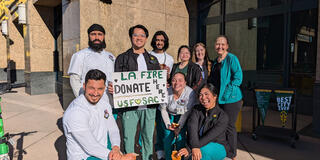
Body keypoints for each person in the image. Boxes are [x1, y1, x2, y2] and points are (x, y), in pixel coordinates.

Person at [63, 69, 137, 160]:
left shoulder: (104, 105)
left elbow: (113, 129)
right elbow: (90, 146)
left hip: (102, 152)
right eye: (91, 88)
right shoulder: (75, 112)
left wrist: (116, 148)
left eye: (100, 89)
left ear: (104, 88)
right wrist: (120, 157)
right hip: (83, 156)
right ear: (84, 87)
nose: (95, 93)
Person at [112, 24, 160, 160]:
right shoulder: (122, 58)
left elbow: (157, 82)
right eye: (136, 35)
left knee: (148, 138)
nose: (139, 38)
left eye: (142, 35)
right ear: (131, 37)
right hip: (130, 106)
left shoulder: (153, 59)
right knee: (128, 137)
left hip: (149, 107)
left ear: (146, 39)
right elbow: (119, 81)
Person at [208, 35, 243, 160]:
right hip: (219, 99)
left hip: (231, 99)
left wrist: (226, 94)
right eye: (218, 44)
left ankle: (232, 154)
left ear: (227, 46)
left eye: (223, 44)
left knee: (229, 126)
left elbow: (238, 78)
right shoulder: (215, 62)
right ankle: (223, 149)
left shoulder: (231, 58)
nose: (220, 46)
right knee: (219, 125)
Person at [179, 83, 228, 160]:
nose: (203, 98)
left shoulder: (222, 116)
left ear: (215, 96)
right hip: (197, 143)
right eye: (201, 95)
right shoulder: (196, 110)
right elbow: (192, 129)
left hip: (217, 145)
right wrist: (190, 148)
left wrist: (191, 148)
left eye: (206, 94)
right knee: (184, 154)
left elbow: (209, 137)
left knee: (200, 153)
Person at [68, 24, 115, 98]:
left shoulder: (111, 56)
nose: (97, 37)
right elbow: (74, 80)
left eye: (100, 34)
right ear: (89, 36)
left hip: (109, 102)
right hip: (90, 100)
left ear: (104, 37)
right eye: (93, 34)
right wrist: (83, 99)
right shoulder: (80, 55)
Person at [149, 30, 174, 159]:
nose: (159, 42)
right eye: (157, 40)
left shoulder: (169, 58)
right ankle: (146, 152)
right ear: (154, 41)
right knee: (147, 128)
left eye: (162, 40)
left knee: (162, 126)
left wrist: (168, 77)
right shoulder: (147, 55)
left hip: (162, 96)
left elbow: (169, 79)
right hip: (148, 96)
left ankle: (161, 153)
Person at [159, 72, 196, 160]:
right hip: (168, 114)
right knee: (168, 138)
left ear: (185, 82)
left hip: (182, 115)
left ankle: (181, 158)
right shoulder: (166, 92)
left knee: (180, 138)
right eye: (174, 80)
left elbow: (186, 112)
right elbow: (163, 109)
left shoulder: (190, 93)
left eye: (180, 80)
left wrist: (179, 126)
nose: (177, 83)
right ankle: (168, 158)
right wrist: (168, 124)